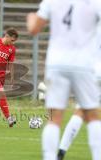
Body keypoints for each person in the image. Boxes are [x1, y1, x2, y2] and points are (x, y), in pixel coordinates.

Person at [27, 0, 101, 160]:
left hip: (56, 64)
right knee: (93, 116)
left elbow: (34, 29)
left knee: (54, 117)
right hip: (85, 64)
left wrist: (31, 17)